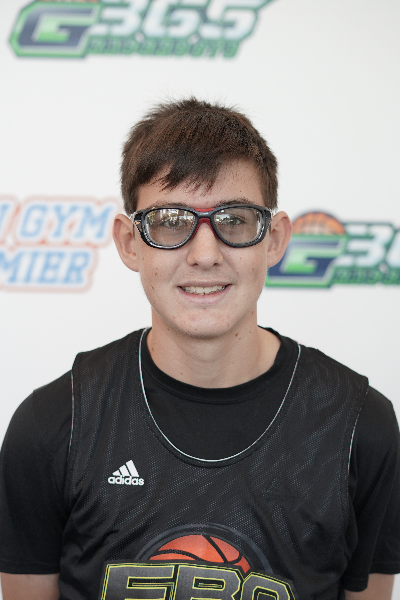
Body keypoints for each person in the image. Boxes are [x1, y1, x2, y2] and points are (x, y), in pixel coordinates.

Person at [0, 99, 399, 600]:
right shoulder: (53, 425)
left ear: (274, 239)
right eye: (170, 221)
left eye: (234, 219)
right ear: (129, 242)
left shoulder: (361, 428)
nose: (205, 254)